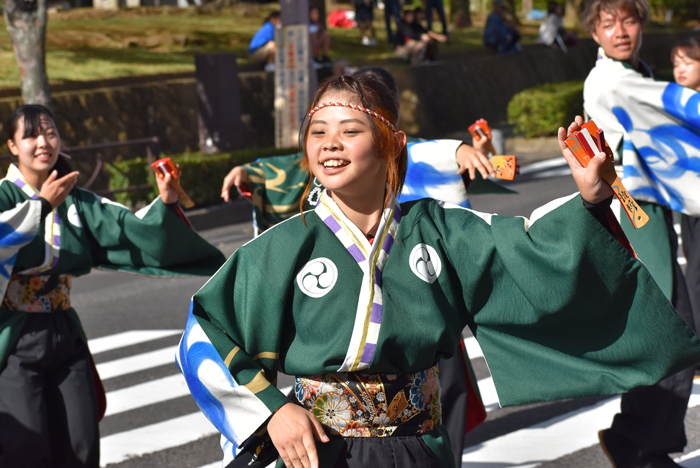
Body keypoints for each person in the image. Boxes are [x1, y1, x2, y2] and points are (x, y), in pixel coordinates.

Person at [180, 74, 700, 468]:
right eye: (318, 131)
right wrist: (273, 409)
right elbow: (205, 330)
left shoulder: (441, 230)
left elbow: (529, 251)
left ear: (391, 145)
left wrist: (587, 199)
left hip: (421, 447)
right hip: (324, 450)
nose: (329, 143)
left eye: (350, 130)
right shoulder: (283, 247)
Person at [0, 105, 225, 467]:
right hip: (14, 335)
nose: (43, 142)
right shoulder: (5, 197)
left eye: (50, 132)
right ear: (12, 146)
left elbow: (127, 227)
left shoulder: (75, 199)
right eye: (30, 135)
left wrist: (165, 200)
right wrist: (40, 206)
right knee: (24, 447)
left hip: (64, 330)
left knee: (81, 441)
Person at [582, 0, 700, 466]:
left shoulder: (636, 72)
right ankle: (636, 439)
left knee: (664, 333)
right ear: (594, 34)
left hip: (643, 214)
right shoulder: (615, 81)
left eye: (628, 20)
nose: (620, 30)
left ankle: (642, 442)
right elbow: (680, 106)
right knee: (675, 332)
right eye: (608, 23)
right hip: (627, 219)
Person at [672, 37, 700, 341]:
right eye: (676, 62)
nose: (680, 69)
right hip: (689, 204)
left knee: (695, 280)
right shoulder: (680, 106)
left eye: (688, 61)